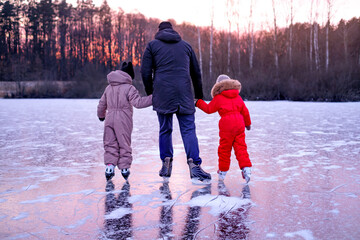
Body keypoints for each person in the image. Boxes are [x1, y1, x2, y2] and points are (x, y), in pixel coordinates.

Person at [141, 21, 211, 182]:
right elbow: (196, 72)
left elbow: (145, 72)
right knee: (188, 129)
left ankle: (166, 163)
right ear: (173, 30)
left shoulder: (152, 46)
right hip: (184, 93)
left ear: (159, 31)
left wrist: (151, 92)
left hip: (163, 93)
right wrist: (198, 95)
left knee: (165, 129)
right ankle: (195, 166)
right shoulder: (186, 46)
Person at [97, 62, 152, 181]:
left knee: (110, 143)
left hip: (109, 118)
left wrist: (101, 115)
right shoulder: (129, 88)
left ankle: (110, 167)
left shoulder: (108, 87)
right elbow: (138, 103)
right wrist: (154, 98)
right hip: (123, 120)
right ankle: (124, 168)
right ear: (129, 76)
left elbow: (102, 104)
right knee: (124, 143)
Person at [195, 74, 252, 183]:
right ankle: (246, 169)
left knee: (224, 149)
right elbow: (245, 111)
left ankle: (222, 171)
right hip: (239, 124)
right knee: (241, 148)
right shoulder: (237, 96)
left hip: (227, 125)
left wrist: (198, 102)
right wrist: (248, 124)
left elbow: (208, 109)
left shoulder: (219, 97)